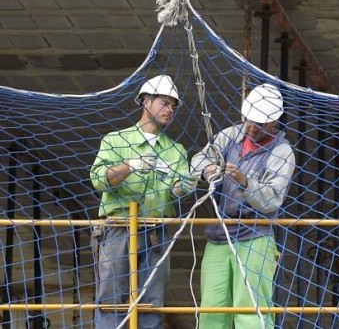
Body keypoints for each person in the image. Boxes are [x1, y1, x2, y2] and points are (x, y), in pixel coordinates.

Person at [90, 74, 198, 329]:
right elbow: (98, 179)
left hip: (155, 231)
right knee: (111, 302)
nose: (170, 109)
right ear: (146, 101)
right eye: (164, 102)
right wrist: (129, 166)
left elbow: (175, 188)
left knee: (151, 303)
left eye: (174, 105)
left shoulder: (176, 150)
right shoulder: (115, 140)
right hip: (118, 228)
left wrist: (186, 186)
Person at [191, 83, 295, 329]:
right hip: (219, 236)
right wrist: (208, 170)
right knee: (211, 312)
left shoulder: (281, 152)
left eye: (258, 124)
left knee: (251, 312)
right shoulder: (231, 136)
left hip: (254, 237)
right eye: (248, 120)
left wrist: (244, 181)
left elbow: (272, 200)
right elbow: (198, 159)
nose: (250, 127)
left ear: (273, 122)